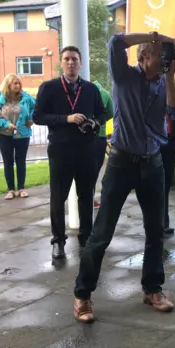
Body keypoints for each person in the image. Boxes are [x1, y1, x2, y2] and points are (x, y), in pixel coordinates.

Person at [73, 32, 175, 323]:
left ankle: (153, 289)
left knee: (155, 231)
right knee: (101, 234)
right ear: (144, 55)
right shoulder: (124, 76)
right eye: (159, 55)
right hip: (122, 163)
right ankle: (82, 295)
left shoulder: (163, 81)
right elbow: (115, 42)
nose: (164, 60)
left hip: (153, 163)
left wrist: (171, 75)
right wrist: (157, 36)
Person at [33, 47, 106, 260]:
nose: (71, 62)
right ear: (61, 63)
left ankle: (86, 238)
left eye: (75, 59)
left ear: (81, 63)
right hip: (60, 150)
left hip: (86, 149)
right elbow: (38, 116)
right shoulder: (49, 87)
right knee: (58, 198)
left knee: (86, 195)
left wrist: (96, 122)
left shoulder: (91, 89)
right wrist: (67, 118)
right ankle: (58, 242)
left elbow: (102, 113)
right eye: (67, 59)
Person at [0, 73, 35, 200]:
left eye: (19, 83)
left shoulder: (26, 97)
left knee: (21, 161)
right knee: (8, 162)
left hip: (23, 134)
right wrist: (6, 124)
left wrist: (31, 119)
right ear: (8, 84)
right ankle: (10, 190)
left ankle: (21, 188)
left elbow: (36, 108)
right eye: (15, 83)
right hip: (4, 134)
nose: (18, 85)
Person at [92, 81, 114, 209]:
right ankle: (92, 196)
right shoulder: (105, 93)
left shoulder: (85, 90)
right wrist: (101, 121)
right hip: (99, 135)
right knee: (96, 169)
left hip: (85, 137)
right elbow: (111, 112)